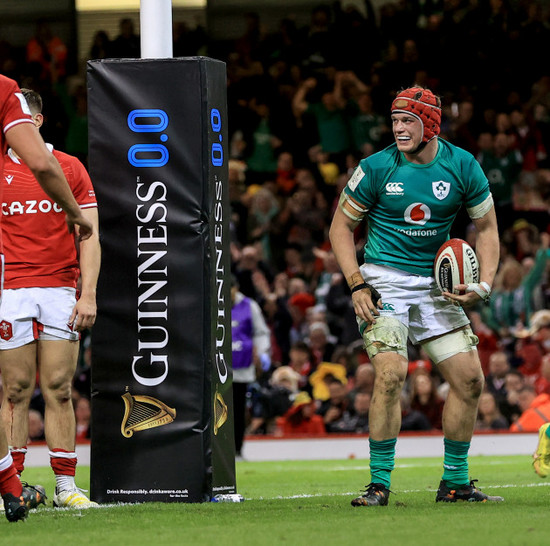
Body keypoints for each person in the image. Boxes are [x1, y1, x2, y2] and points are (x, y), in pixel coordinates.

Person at [329, 86, 503, 506]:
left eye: (408, 120)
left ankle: (455, 484)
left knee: (471, 380)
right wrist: (356, 283)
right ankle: (378, 485)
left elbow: (489, 231)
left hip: (434, 286)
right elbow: (339, 229)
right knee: (391, 373)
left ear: (430, 124)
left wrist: (483, 285)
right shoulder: (374, 168)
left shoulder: (463, 166)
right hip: (383, 282)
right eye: (394, 121)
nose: (399, 129)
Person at [0, 88, 100, 510]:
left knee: (59, 388)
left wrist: (88, 294)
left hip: (60, 290)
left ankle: (66, 488)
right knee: (15, 389)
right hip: (10, 291)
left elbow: (90, 235)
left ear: (35, 123)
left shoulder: (70, 168)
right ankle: (13, 487)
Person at [231, 275, 271, 458]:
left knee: (238, 411)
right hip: (217, 368)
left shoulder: (249, 305)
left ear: (235, 288)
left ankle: (238, 450)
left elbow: (261, 331)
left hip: (241, 366)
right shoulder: (214, 304)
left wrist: (262, 353)